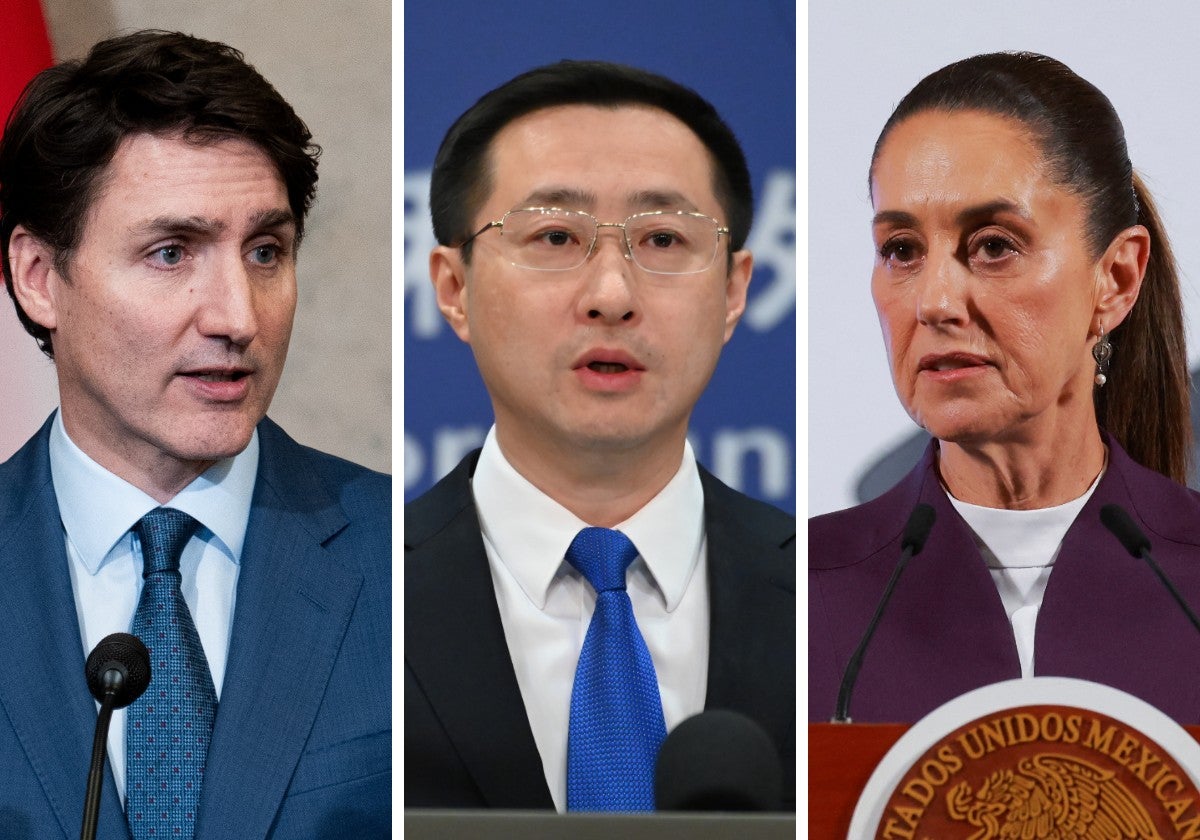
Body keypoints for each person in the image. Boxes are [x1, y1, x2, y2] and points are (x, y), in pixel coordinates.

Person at [0, 31, 390, 838]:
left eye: (265, 252)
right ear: (40, 277)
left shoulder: (402, 560)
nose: (238, 317)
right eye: (171, 252)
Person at [405, 61, 795, 811]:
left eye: (663, 239)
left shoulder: (827, 605)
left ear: (734, 291)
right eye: (555, 236)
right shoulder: (369, 594)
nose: (612, 295)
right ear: (454, 289)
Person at [809, 51, 1199, 724]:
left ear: (1116, 279)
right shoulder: (805, 596)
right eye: (901, 249)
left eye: (993, 245)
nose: (935, 302)